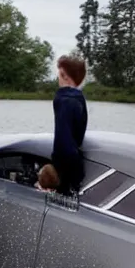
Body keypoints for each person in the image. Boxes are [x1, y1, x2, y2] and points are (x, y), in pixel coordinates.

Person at [51, 55, 88, 195]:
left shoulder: (64, 100)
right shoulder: (79, 99)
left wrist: (59, 172)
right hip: (76, 160)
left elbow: (63, 141)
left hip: (66, 171)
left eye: (59, 74)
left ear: (64, 75)